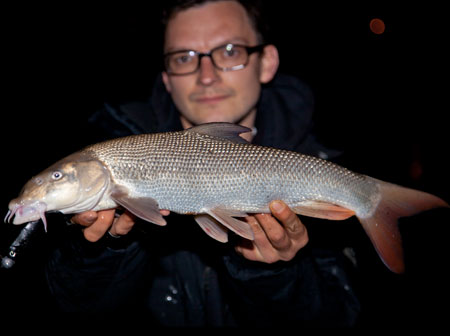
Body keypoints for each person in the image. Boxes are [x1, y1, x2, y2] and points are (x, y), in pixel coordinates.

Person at [45, 0, 360, 326]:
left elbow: (340, 317)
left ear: (266, 62)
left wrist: (271, 271)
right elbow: (76, 309)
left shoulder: (322, 161)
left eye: (229, 51)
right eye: (184, 58)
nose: (206, 76)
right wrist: (104, 249)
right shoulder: (109, 151)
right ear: (167, 78)